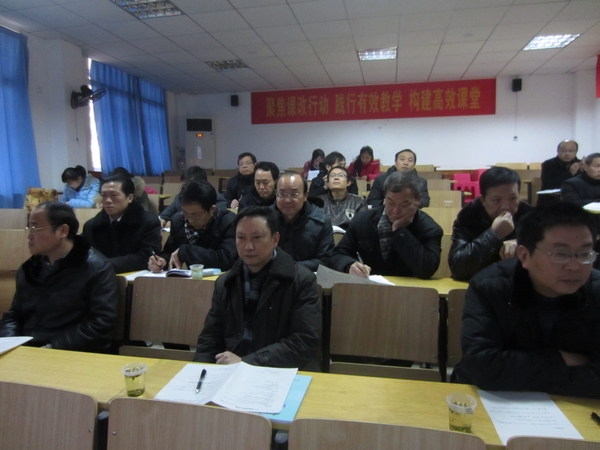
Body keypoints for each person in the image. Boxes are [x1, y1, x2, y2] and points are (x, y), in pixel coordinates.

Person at [452, 201, 600, 398]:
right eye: (560, 254)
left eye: (584, 254)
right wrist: (559, 360)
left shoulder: (596, 291)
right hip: (496, 402)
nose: (574, 266)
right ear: (524, 255)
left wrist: (519, 370)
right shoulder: (489, 287)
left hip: (574, 406)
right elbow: (483, 366)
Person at [193, 206, 322, 370]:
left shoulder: (301, 280)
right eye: (241, 238)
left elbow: (304, 341)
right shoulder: (225, 282)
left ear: (275, 240)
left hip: (282, 371)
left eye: (257, 238)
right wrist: (200, 370)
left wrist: (247, 362)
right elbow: (210, 337)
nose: (248, 246)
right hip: (233, 370)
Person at [0, 202, 118, 352]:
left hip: (67, 351)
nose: (29, 235)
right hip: (27, 349)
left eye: (35, 228)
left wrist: (51, 347)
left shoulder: (96, 268)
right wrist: (10, 344)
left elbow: (101, 324)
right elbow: (14, 315)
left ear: (63, 231)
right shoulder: (29, 268)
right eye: (29, 228)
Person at [330, 172, 442, 279]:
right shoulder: (363, 220)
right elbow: (337, 255)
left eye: (404, 204)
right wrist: (349, 265)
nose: (396, 211)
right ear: (384, 197)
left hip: (410, 289)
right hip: (371, 287)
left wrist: (400, 231)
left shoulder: (430, 228)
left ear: (417, 200)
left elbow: (427, 269)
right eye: (391, 202)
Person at [449, 167, 533, 281]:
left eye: (513, 198)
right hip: (478, 284)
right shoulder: (468, 217)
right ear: (483, 200)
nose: (505, 206)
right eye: (496, 200)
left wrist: (521, 244)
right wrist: (493, 235)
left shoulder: (529, 217)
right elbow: (458, 268)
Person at [148, 181, 237, 272]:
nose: (190, 220)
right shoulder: (178, 220)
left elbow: (226, 260)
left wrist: (186, 251)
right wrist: (162, 261)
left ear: (212, 209)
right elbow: (170, 252)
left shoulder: (229, 222)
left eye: (196, 215)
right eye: (185, 213)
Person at [82, 174, 162, 274]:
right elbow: (84, 255)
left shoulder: (148, 222)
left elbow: (147, 257)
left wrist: (104, 265)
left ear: (130, 198)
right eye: (104, 195)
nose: (108, 200)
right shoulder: (92, 226)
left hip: (135, 277)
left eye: (114, 195)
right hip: (99, 277)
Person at [273, 171, 335, 271]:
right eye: (282, 194)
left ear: (305, 196)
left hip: (307, 276)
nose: (287, 200)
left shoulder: (321, 221)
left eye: (294, 194)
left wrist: (290, 267)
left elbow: (325, 260)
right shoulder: (264, 219)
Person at [159, 166, 227, 227]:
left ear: (202, 184)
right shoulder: (180, 198)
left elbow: (218, 220)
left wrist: (178, 222)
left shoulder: (216, 198)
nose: (185, 189)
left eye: (188, 185)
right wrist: (162, 220)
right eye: (183, 186)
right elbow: (164, 215)